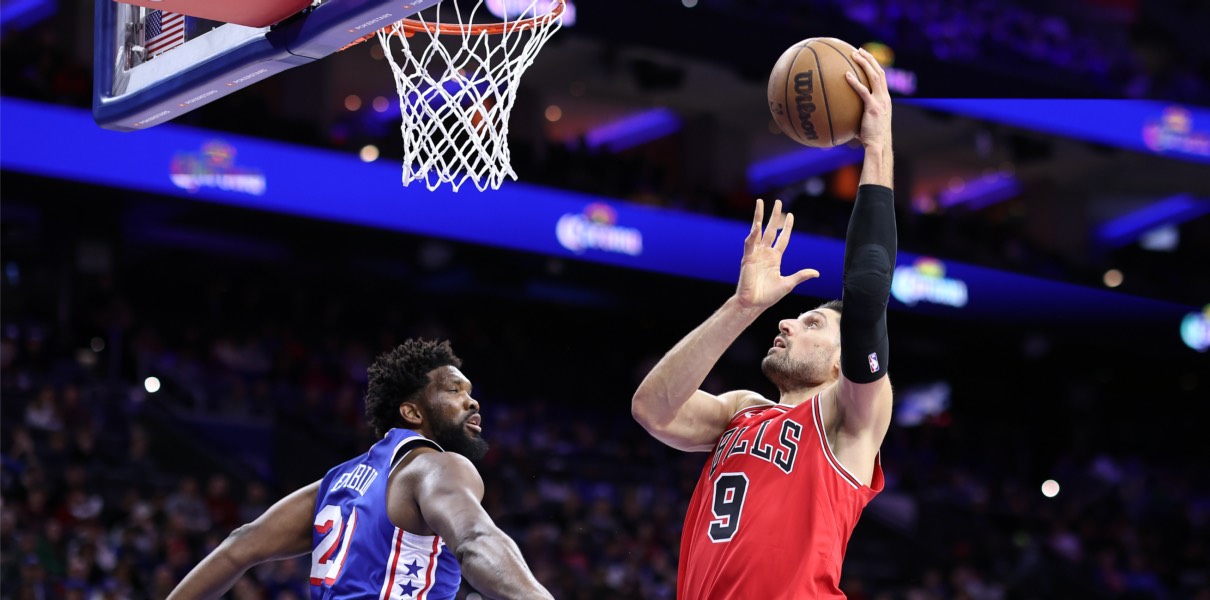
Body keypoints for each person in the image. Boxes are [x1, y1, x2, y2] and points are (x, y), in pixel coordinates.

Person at [631, 48, 896, 599]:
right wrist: (742, 307)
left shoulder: (847, 421)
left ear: (841, 361)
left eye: (813, 323)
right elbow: (651, 409)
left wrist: (876, 146)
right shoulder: (740, 412)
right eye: (794, 317)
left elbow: (867, 294)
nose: (789, 325)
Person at [168, 339, 553, 600]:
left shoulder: (336, 483)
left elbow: (239, 546)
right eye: (454, 390)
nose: (472, 402)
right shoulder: (437, 465)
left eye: (470, 391)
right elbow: (474, 540)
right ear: (412, 412)